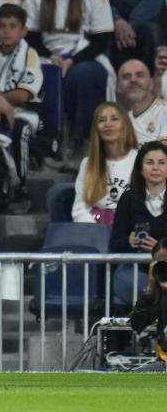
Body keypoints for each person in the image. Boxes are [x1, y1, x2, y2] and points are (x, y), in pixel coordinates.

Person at [25, 0, 115, 146]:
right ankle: (45, 144)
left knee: (83, 75)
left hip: (85, 55)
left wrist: (73, 60)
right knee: (42, 75)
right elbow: (30, 36)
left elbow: (103, 38)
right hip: (46, 54)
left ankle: (82, 141)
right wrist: (51, 57)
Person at [0, 4, 43, 192]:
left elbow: (24, 94)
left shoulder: (30, 55)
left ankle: (20, 187)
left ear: (23, 31)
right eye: (2, 26)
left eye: (12, 26)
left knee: (20, 129)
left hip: (24, 112)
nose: (6, 31)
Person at [112, 141, 167, 304]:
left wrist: (160, 249)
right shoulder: (127, 199)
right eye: (149, 162)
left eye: (162, 163)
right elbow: (115, 243)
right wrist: (129, 241)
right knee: (135, 284)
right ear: (141, 169)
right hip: (136, 268)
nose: (155, 168)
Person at [69, 102, 139, 225]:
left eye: (114, 119)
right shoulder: (87, 163)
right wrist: (96, 232)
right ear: (96, 128)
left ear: (126, 125)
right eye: (102, 120)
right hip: (95, 229)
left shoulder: (140, 160)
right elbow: (79, 209)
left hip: (130, 227)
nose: (108, 124)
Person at [117, 59, 167, 144]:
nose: (133, 80)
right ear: (118, 87)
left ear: (151, 83)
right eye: (126, 77)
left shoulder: (164, 112)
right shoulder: (119, 122)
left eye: (139, 75)